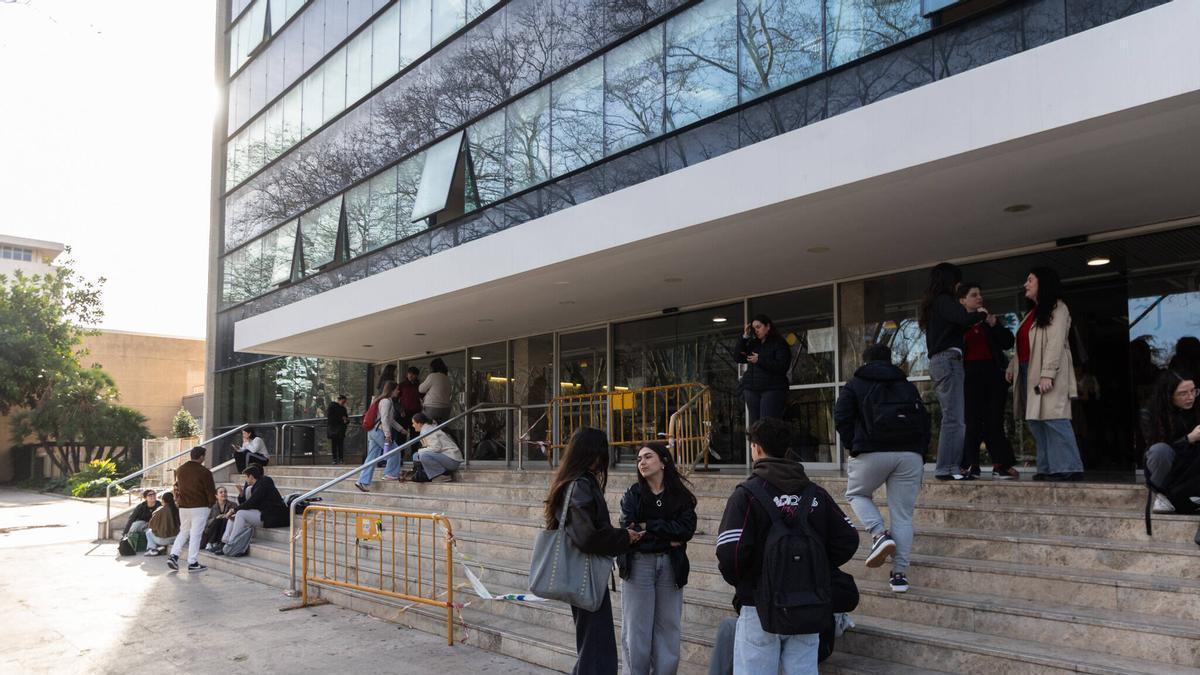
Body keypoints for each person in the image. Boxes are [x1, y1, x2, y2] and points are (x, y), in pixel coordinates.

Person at [716, 418, 859, 674]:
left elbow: (730, 554)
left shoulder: (746, 495)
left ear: (757, 448)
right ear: (786, 449)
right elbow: (848, 539)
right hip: (808, 602)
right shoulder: (815, 494)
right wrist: (810, 569)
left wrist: (750, 584)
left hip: (758, 604)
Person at [543, 427, 640, 675]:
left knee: (594, 645)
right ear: (592, 453)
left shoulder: (573, 482)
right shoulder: (580, 485)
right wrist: (623, 537)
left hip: (584, 574)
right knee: (597, 648)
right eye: (601, 452)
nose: (603, 459)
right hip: (585, 575)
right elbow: (586, 536)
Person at [835, 344, 929, 593]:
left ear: (865, 362)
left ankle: (879, 535)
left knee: (856, 494)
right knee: (903, 515)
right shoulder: (907, 385)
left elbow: (841, 416)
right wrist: (921, 453)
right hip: (910, 455)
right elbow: (925, 420)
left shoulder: (855, 384)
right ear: (890, 360)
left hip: (870, 452)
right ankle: (899, 575)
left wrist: (852, 446)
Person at [618, 443, 697, 675]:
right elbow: (630, 532)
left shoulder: (680, 495)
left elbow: (686, 530)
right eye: (639, 458)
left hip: (671, 564)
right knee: (637, 631)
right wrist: (667, 535)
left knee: (668, 629)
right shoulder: (632, 495)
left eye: (648, 457)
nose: (641, 462)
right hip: (639, 564)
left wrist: (649, 527)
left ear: (663, 462)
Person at [1005, 267, 1085, 481]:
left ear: (1043, 283)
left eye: (1030, 280)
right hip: (1028, 371)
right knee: (1036, 420)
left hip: (1048, 373)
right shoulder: (1033, 312)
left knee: (1054, 417)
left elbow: (1055, 343)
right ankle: (1048, 468)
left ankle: (1069, 467)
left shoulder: (1059, 308)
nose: (1025, 284)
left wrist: (1047, 374)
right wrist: (1012, 367)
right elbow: (1023, 344)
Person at [919, 262, 988, 481]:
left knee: (953, 417)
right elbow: (964, 318)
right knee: (955, 418)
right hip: (949, 361)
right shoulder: (944, 301)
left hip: (943, 361)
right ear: (951, 281)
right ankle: (948, 468)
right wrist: (981, 315)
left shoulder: (935, 304)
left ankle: (949, 467)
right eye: (957, 281)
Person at [958, 282, 1019, 479]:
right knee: (972, 421)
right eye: (974, 295)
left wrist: (994, 325)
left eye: (980, 294)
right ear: (963, 300)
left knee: (995, 420)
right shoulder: (959, 323)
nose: (979, 298)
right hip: (969, 376)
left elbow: (1008, 342)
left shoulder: (989, 320)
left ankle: (1000, 464)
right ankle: (970, 465)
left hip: (992, 374)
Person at [1142, 370, 1200, 513]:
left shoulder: (1197, 407)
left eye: (1193, 391)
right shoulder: (1151, 414)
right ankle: (1162, 496)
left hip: (1193, 465)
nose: (1190, 397)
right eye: (1183, 393)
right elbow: (1155, 446)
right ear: (1169, 395)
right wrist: (1188, 439)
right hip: (1170, 465)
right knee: (1159, 450)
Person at [217, 463, 288, 554]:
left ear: (251, 476)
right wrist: (237, 505)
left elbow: (252, 502)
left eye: (246, 477)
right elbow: (247, 503)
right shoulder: (254, 485)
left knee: (239, 513)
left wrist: (233, 509)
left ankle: (231, 544)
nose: (245, 480)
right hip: (262, 513)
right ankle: (225, 542)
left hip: (272, 516)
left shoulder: (264, 483)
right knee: (236, 515)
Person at [735, 314, 792, 426]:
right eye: (754, 328)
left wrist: (759, 360)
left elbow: (782, 366)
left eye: (759, 327)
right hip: (752, 389)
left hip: (772, 389)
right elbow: (738, 357)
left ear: (768, 327)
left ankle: (768, 443)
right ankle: (755, 443)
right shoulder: (753, 344)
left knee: (767, 425)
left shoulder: (779, 343)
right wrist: (745, 336)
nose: (756, 330)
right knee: (754, 426)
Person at [168, 446, 217, 573]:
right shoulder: (205, 472)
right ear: (201, 457)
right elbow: (210, 491)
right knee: (195, 535)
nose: (204, 458)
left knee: (183, 532)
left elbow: (177, 486)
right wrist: (211, 504)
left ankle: (173, 556)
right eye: (204, 456)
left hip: (183, 507)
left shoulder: (180, 470)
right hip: (200, 506)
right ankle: (192, 562)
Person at [354, 381, 405, 492]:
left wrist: (400, 429)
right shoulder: (386, 401)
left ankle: (362, 481)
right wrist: (388, 435)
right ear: (391, 390)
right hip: (379, 431)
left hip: (373, 431)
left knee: (372, 457)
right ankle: (390, 474)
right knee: (395, 451)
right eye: (397, 389)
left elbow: (389, 420)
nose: (398, 391)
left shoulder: (383, 400)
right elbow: (385, 420)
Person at [400, 412, 463, 483]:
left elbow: (436, 448)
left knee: (423, 455)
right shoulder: (426, 429)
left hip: (452, 460)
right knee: (416, 455)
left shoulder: (428, 431)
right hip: (447, 458)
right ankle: (423, 474)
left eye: (414, 423)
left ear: (420, 424)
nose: (413, 425)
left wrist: (420, 451)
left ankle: (442, 476)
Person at [143, 491, 180, 556]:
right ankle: (160, 548)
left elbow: (151, 526)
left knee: (148, 532)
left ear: (163, 500)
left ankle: (151, 549)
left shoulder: (159, 511)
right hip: (177, 538)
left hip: (163, 540)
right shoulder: (177, 509)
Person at [202, 486, 237, 551]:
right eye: (221, 492)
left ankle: (213, 542)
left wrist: (226, 516)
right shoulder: (212, 506)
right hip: (213, 529)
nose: (224, 493)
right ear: (216, 496)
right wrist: (216, 518)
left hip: (226, 529)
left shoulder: (233, 505)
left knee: (224, 520)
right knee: (217, 520)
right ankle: (212, 542)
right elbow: (207, 522)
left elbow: (235, 518)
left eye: (225, 492)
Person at [397, 367, 423, 436]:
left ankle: (415, 447)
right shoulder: (402, 385)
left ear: (416, 375)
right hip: (404, 412)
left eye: (413, 374)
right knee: (402, 434)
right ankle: (401, 447)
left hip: (415, 413)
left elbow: (423, 397)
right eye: (409, 373)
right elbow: (395, 400)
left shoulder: (419, 386)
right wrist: (400, 409)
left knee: (415, 434)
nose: (410, 375)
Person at [326, 394, 350, 464]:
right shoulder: (332, 406)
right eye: (343, 401)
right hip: (334, 428)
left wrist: (346, 420)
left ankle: (340, 458)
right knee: (335, 444)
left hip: (340, 429)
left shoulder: (343, 409)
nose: (344, 403)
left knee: (340, 444)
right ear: (339, 400)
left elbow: (346, 418)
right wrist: (342, 419)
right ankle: (335, 459)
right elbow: (330, 418)